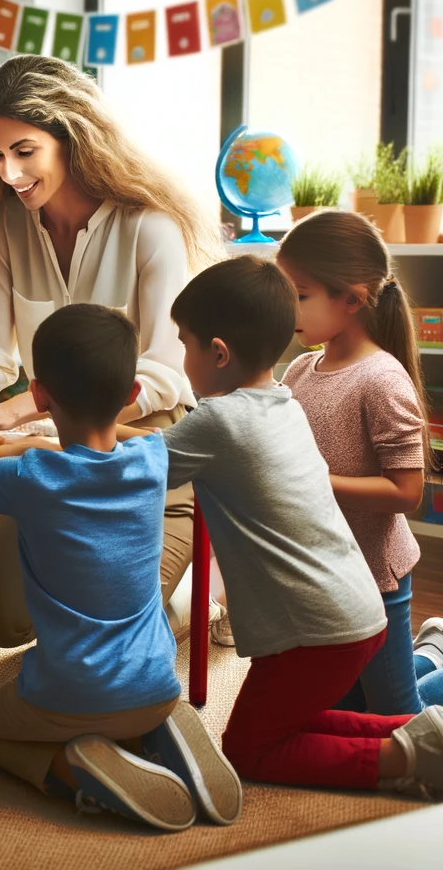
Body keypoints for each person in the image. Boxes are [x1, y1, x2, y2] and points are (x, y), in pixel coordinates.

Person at [0, 55, 223, 650]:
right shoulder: (7, 224)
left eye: (25, 151)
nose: (9, 172)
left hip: (143, 452)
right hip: (58, 448)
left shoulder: (148, 224)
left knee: (108, 636)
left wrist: (24, 409)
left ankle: (195, 603)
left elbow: (161, 371)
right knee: (1, 624)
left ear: (72, 137)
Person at [125, 255, 443, 796]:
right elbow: (148, 451)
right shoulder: (281, 400)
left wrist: (39, 441)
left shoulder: (219, 420)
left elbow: (122, 469)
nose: (182, 358)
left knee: (248, 749)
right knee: (286, 726)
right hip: (351, 613)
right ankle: (414, 735)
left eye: (184, 343)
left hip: (316, 631)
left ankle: (404, 759)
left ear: (218, 353)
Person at [0, 304, 241, 832]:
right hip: (159, 683)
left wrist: (30, 441)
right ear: (132, 395)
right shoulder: (153, 460)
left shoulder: (31, 473)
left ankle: (77, 767)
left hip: (72, 692)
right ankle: (158, 733)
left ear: (40, 394)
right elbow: (151, 439)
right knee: (131, 704)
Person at [278, 211, 443, 712]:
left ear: (351, 299)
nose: (288, 309)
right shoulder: (301, 368)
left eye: (300, 295)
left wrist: (317, 481)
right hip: (324, 573)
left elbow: (407, 493)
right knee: (345, 704)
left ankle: (435, 656)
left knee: (397, 718)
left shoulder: (381, 378)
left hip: (374, 576)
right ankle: (431, 651)